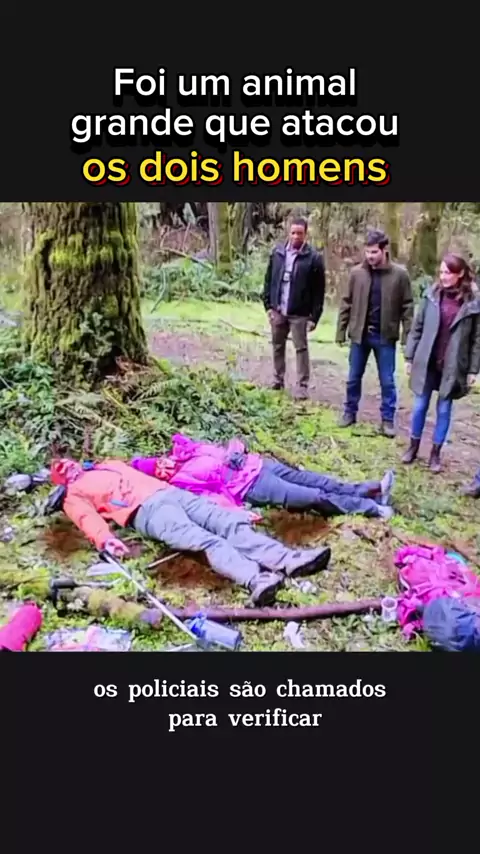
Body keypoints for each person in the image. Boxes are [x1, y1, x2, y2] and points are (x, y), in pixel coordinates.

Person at [49, 458, 332, 607]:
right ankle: (257, 580)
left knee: (228, 522)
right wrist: (106, 539)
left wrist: (165, 464)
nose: (69, 468)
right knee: (204, 541)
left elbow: (147, 467)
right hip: (147, 511)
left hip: (172, 493)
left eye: (68, 462)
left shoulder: (108, 464)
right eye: (62, 470)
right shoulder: (73, 495)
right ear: (61, 481)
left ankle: (289, 560)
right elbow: (86, 519)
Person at [130, 433, 396, 520]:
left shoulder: (189, 450)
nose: (164, 466)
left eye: (161, 462)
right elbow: (211, 497)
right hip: (253, 485)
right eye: (158, 470)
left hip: (260, 465)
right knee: (313, 496)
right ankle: (371, 508)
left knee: (317, 480)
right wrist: (238, 512)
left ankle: (372, 490)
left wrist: (235, 450)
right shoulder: (182, 483)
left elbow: (230, 444)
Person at [402, 253, 480, 473]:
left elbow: (477, 340)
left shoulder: (472, 304)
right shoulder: (431, 296)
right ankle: (413, 447)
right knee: (419, 406)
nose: (443, 276)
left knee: (444, 409)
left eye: (448, 272)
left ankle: (435, 453)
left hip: (453, 366)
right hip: (427, 361)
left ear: (460, 274)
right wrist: (409, 356)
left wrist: (473, 370)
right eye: (442, 272)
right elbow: (417, 328)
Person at [336, 230, 414, 437]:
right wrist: (341, 331)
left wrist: (407, 338)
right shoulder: (357, 273)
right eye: (367, 252)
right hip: (360, 335)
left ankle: (387, 420)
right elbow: (346, 303)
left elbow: (407, 308)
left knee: (387, 381)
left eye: (374, 252)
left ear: (384, 250)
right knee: (353, 377)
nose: (370, 256)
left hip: (385, 336)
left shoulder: (399, 275)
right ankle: (349, 412)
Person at [263, 216, 325, 400]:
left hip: (300, 313)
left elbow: (319, 291)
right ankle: (277, 379)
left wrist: (314, 317)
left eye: (300, 233)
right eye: (293, 233)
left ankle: (302, 385)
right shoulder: (278, 253)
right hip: (278, 309)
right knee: (277, 345)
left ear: (306, 234)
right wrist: (268, 306)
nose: (296, 236)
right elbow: (269, 280)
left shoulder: (313, 258)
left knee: (301, 349)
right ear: (288, 233)